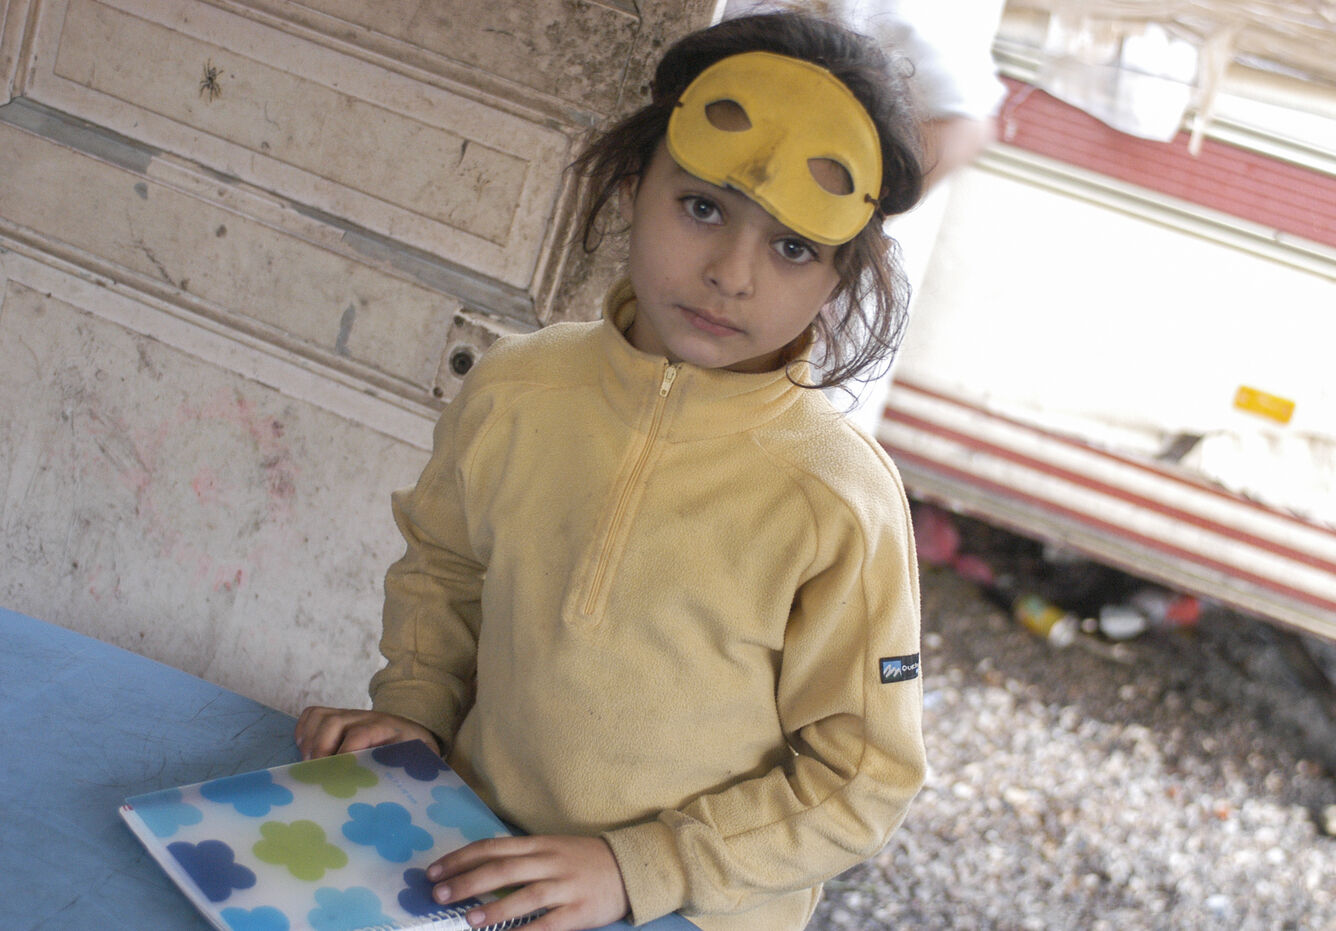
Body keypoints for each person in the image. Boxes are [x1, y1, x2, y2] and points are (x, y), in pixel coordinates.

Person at [295, 11, 928, 931]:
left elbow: (862, 777)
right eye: (702, 208)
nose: (731, 274)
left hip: (690, 911)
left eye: (793, 246)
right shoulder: (517, 387)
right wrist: (413, 718)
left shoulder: (839, 500)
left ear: (837, 278)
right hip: (466, 860)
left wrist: (640, 867)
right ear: (634, 188)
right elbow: (444, 569)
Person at [724, 0, 1008, 431]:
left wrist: (831, 220)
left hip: (807, 276)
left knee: (771, 420)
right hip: (719, 230)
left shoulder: (896, 12)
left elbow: (965, 125)